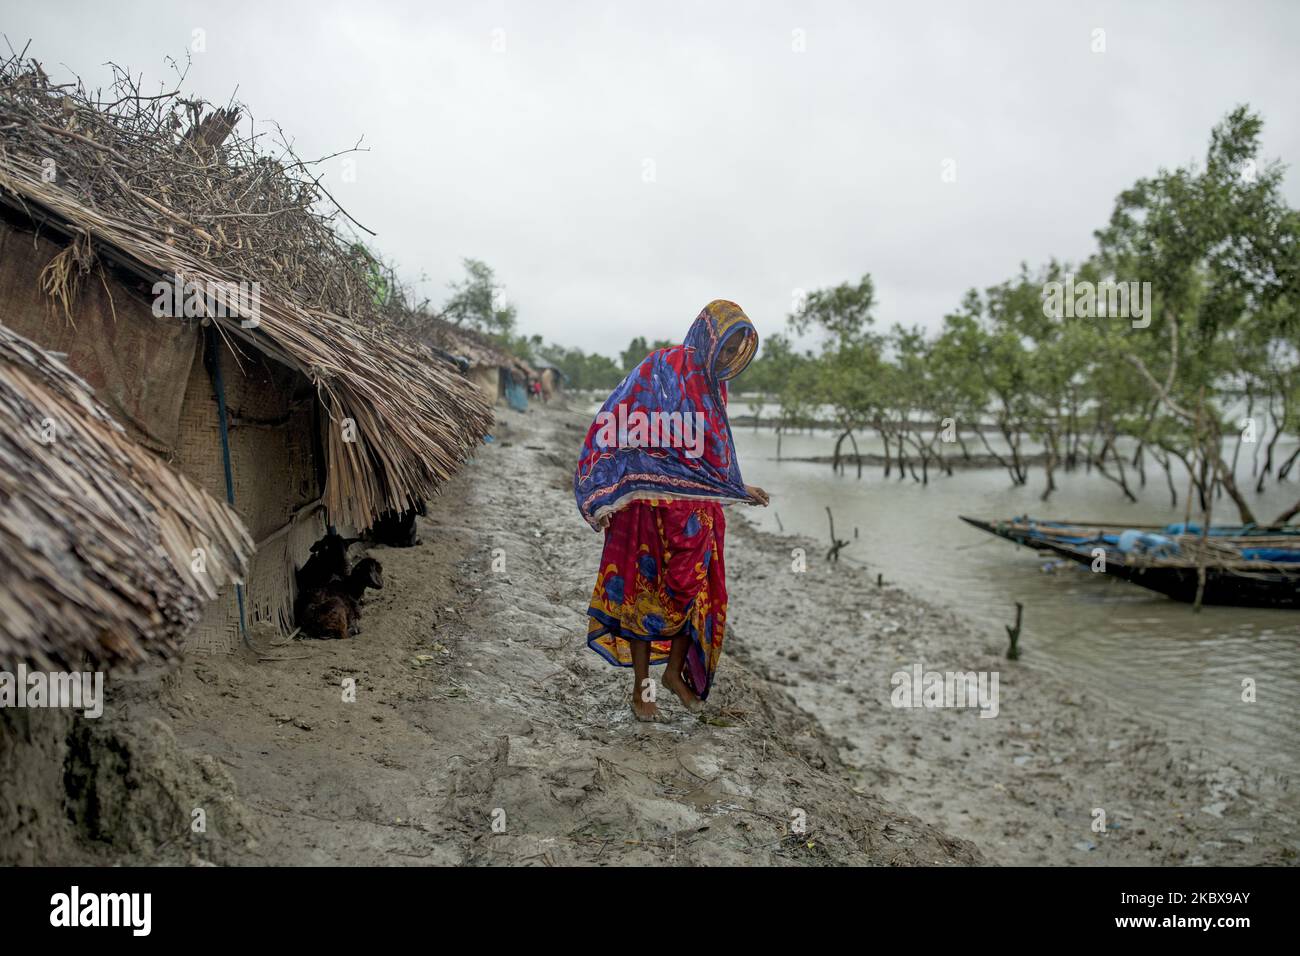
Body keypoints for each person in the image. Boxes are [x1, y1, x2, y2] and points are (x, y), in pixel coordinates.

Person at [574, 300, 769, 721]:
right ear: (708, 335)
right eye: (728, 343)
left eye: (738, 347)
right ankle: (642, 691)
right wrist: (607, 492)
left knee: (697, 593)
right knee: (642, 600)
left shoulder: (715, 388)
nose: (731, 354)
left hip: (697, 513)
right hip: (647, 508)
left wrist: (740, 488)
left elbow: (714, 455)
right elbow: (616, 422)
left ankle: (674, 676)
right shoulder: (658, 368)